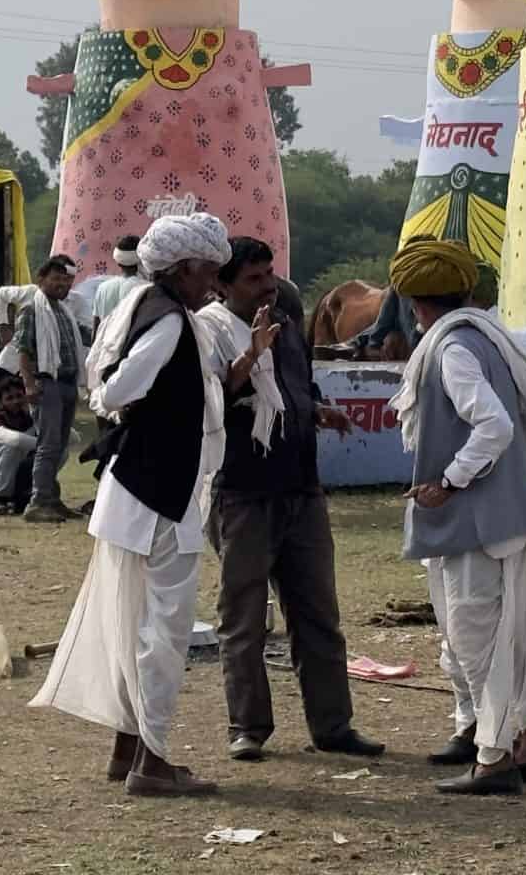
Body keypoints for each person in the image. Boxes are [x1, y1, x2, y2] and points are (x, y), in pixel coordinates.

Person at [30, 213, 233, 797]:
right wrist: (130, 411)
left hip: (137, 490)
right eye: (209, 272)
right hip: (158, 497)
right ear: (185, 268)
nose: (212, 285)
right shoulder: (169, 322)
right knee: (161, 632)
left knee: (132, 623)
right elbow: (117, 389)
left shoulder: (148, 305)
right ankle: (154, 762)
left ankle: (130, 749)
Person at [388, 237, 526, 796]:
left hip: (473, 520)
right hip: (502, 517)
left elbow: (495, 425)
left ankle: (494, 759)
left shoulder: (451, 349)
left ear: (414, 302)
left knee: (479, 641)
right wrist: (518, 465)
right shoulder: (497, 338)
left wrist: (455, 478)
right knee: (507, 639)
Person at [201, 237, 384, 762]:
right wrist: (250, 354)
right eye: (253, 278)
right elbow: (215, 399)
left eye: (268, 274)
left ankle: (333, 726)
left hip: (301, 487)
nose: (267, 285)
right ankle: (248, 727)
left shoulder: (284, 321)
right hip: (243, 490)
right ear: (223, 283)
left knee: (317, 614)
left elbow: (297, 384)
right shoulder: (210, 330)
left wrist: (320, 409)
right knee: (244, 617)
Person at [7, 256, 87, 522]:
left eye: (66, 279)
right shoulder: (32, 309)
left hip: (66, 383)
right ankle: (38, 501)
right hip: (47, 383)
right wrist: (29, 383)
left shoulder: (63, 311)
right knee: (48, 444)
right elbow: (23, 350)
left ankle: (51, 498)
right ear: (41, 279)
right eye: (56, 278)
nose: (62, 284)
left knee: (60, 445)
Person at [0, 375, 38, 514]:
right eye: (9, 398)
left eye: (19, 396)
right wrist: (46, 445)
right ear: (0, 403)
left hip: (16, 474)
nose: (16, 401)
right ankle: (1, 499)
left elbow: (71, 437)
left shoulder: (30, 419)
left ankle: (28, 496)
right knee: (13, 448)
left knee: (59, 452)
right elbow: (15, 440)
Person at [92, 234, 143, 325]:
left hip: (105, 339)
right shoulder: (145, 288)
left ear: (118, 262)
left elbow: (96, 326)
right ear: (141, 259)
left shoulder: (102, 288)